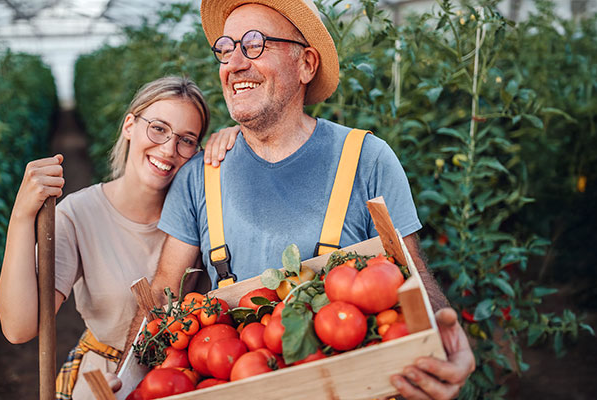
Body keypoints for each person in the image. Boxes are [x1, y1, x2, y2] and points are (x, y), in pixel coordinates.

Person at [135, 1, 476, 399]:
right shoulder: (200, 174)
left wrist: (443, 340)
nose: (234, 63)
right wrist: (130, 376)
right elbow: (164, 294)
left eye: (254, 44)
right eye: (226, 49)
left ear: (306, 65)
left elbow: (412, 274)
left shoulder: (366, 159)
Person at [0, 76, 237, 399]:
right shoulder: (79, 214)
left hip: (189, 379)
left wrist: (241, 146)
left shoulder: (208, 209)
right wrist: (22, 216)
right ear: (129, 126)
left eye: (187, 139)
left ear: (198, 150)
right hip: (108, 385)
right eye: (158, 128)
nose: (168, 149)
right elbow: (19, 327)